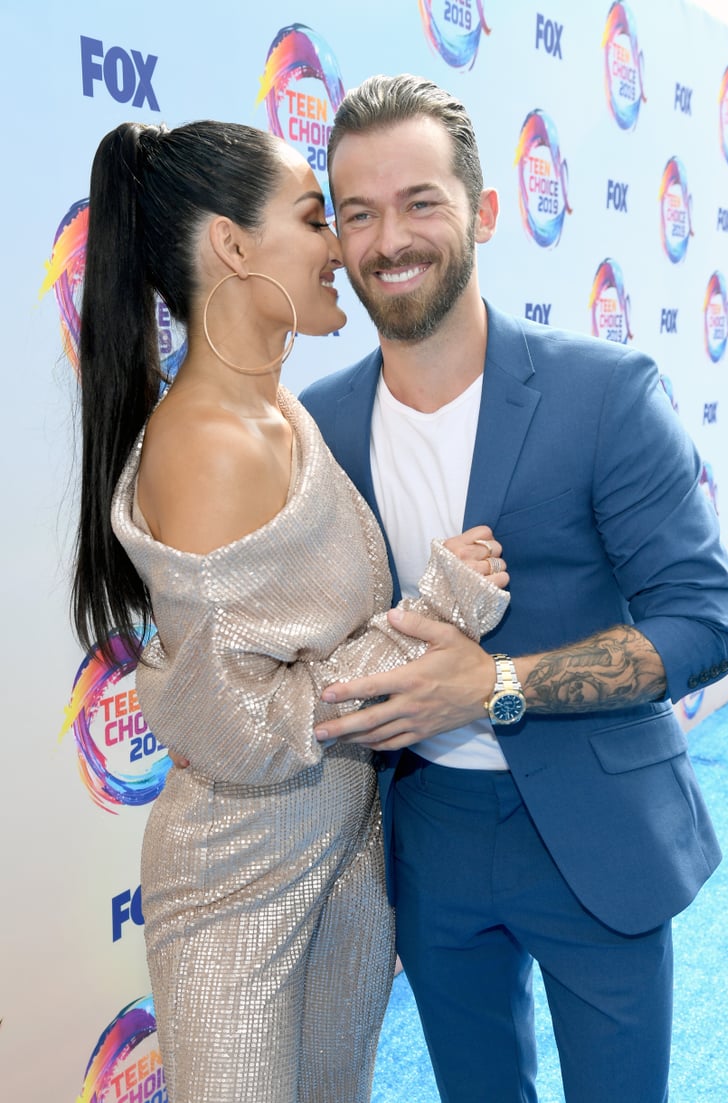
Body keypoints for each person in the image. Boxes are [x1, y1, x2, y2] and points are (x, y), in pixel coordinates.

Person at [299, 75, 728, 1103]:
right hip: (429, 837)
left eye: (420, 202)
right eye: (357, 212)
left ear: (486, 211)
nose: (388, 239)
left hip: (597, 827)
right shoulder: (316, 426)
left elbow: (703, 622)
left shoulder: (605, 393)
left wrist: (497, 681)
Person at [71, 118, 510, 1103]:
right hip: (241, 880)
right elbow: (246, 724)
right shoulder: (213, 443)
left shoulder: (283, 409)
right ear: (232, 245)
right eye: (317, 218)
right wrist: (435, 609)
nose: (342, 249)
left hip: (340, 851)